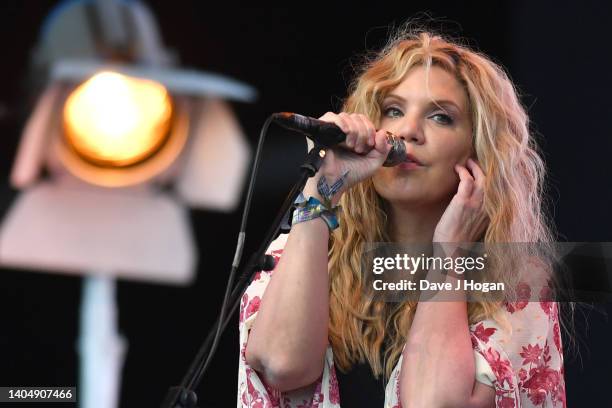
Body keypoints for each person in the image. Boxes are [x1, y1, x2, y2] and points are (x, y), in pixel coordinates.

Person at [237, 27, 566, 407]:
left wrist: (450, 252)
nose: (407, 130)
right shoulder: (307, 250)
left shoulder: (518, 279)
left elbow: (432, 402)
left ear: (479, 151)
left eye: (441, 117)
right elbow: (281, 365)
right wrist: (319, 191)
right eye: (393, 110)